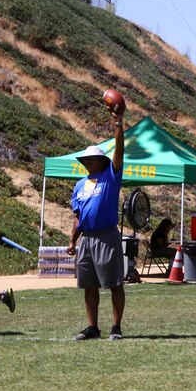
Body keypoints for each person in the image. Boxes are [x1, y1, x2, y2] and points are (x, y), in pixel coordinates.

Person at [68, 100, 127, 341]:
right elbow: (78, 216)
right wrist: (73, 241)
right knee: (89, 285)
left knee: (114, 283)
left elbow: (119, 152)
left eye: (91, 160)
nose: (87, 163)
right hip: (87, 240)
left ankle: (116, 327)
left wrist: (118, 125)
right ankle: (92, 327)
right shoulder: (80, 185)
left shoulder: (110, 176)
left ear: (101, 162)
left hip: (106, 235)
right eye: (85, 160)